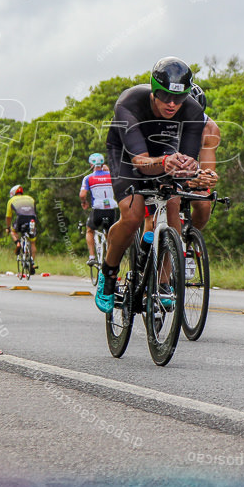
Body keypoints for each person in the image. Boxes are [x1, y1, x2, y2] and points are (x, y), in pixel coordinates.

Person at [94, 56, 214, 313]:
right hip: (128, 155)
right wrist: (168, 163)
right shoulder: (129, 102)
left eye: (178, 99)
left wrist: (197, 172)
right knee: (134, 215)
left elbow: (189, 160)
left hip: (163, 151)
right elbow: (140, 162)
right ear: (153, 90)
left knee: (173, 200)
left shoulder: (192, 110)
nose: (172, 104)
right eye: (165, 96)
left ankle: (162, 282)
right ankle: (109, 271)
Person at [186, 83, 221, 231]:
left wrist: (206, 177)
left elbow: (207, 171)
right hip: (161, 167)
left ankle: (186, 242)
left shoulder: (209, 128)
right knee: (153, 220)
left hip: (188, 171)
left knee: (204, 205)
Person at [79, 153, 117, 267]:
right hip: (111, 208)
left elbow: (82, 194)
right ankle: (110, 258)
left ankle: (92, 257)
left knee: (90, 230)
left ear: (91, 164)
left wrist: (84, 202)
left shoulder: (88, 178)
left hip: (98, 209)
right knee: (109, 232)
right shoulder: (111, 175)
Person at [6, 184, 38, 270]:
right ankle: (32, 263)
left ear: (13, 194)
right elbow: (34, 211)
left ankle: (18, 243)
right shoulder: (30, 198)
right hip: (32, 219)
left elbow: (8, 217)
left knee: (13, 231)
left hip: (21, 219)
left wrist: (8, 227)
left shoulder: (11, 200)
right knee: (32, 243)